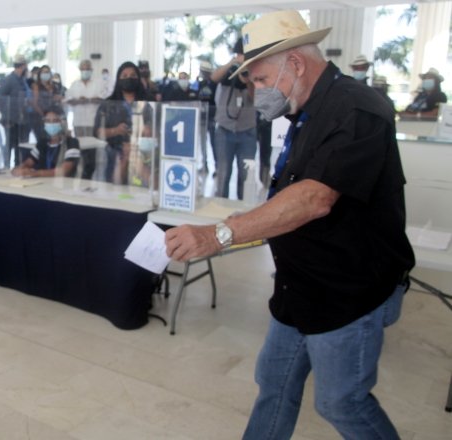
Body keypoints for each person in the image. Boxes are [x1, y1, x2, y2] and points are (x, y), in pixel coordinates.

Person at [165, 10, 414, 439]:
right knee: (274, 384)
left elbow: (315, 197)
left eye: (261, 80)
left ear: (294, 64)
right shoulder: (306, 111)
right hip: (300, 284)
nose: (258, 92)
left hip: (347, 291)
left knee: (340, 402)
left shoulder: (357, 109)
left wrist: (220, 234)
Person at [211, 37, 257, 200]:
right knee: (223, 173)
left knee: (246, 175)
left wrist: (249, 80)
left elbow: (257, 99)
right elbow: (214, 77)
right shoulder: (228, 71)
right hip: (224, 129)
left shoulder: (255, 73)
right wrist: (233, 64)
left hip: (248, 131)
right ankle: (219, 207)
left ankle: (243, 212)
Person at [94, 61, 151, 184]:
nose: (129, 78)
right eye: (124, 76)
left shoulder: (147, 104)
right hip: (114, 154)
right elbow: (97, 131)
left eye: (133, 75)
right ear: (118, 79)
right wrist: (116, 131)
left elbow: (154, 128)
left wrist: (146, 131)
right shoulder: (108, 104)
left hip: (141, 153)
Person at [65, 59, 107, 179]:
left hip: (92, 121)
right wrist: (79, 100)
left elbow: (103, 98)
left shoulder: (98, 83)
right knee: (80, 148)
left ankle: (93, 173)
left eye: (87, 69)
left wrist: (91, 100)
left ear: (91, 70)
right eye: (83, 69)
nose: (85, 71)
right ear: (80, 70)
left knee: (92, 150)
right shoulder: (75, 84)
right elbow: (68, 99)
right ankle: (81, 172)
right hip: (78, 122)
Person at [12, 107, 80, 178]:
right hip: (43, 183)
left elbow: (64, 171)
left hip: (63, 185)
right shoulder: (42, 143)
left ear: (62, 122)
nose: (51, 124)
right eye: (47, 121)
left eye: (55, 121)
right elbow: (29, 162)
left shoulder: (71, 143)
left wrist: (35, 173)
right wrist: (20, 169)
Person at [0, 54, 30, 168]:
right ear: (23, 65)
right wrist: (6, 117)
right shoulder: (9, 80)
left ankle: (17, 165)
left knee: (19, 145)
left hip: (21, 120)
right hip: (11, 120)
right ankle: (7, 166)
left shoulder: (23, 80)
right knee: (10, 145)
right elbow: (1, 100)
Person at [31, 64, 63, 141]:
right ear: (40, 74)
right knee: (43, 139)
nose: (46, 74)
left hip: (54, 115)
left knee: (54, 138)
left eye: (47, 72)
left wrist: (58, 98)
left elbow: (57, 98)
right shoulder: (36, 86)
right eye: (43, 72)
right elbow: (35, 103)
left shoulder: (53, 86)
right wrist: (44, 115)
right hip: (41, 116)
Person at [197, 60, 218, 174]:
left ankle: (217, 166)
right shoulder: (200, 84)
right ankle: (204, 165)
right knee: (203, 144)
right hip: (202, 118)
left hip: (212, 117)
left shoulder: (214, 84)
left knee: (214, 143)